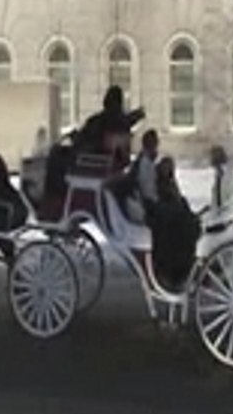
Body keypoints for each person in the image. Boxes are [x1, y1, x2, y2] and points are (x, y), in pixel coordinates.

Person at [148, 156, 200, 289]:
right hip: (165, 214)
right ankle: (177, 272)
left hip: (170, 211)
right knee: (183, 228)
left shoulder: (167, 182)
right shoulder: (159, 183)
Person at [70, 85, 145, 170]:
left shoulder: (96, 121)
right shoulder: (123, 122)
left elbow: (82, 139)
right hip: (115, 163)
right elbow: (132, 118)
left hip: (95, 160)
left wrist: (75, 137)